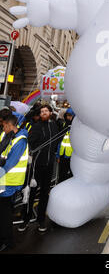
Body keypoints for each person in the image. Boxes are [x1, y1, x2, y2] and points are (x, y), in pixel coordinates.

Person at [18, 104, 61, 233]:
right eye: (42, 111)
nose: (43, 113)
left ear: (50, 113)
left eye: (46, 111)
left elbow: (57, 140)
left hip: (49, 165)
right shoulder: (36, 127)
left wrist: (53, 152)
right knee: (30, 193)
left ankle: (41, 220)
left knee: (44, 194)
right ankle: (25, 219)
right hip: (36, 166)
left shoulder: (54, 125)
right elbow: (31, 142)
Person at [0, 113, 28, 252]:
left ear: (10, 125)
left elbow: (10, 163)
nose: (2, 128)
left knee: (4, 214)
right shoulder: (7, 136)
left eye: (4, 126)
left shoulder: (20, 140)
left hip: (9, 182)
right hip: (3, 181)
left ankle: (7, 241)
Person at [57, 108, 75, 183]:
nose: (68, 117)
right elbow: (60, 141)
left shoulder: (76, 127)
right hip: (62, 155)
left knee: (71, 176)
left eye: (70, 116)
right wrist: (58, 155)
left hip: (72, 156)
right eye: (67, 116)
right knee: (61, 175)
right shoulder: (64, 125)